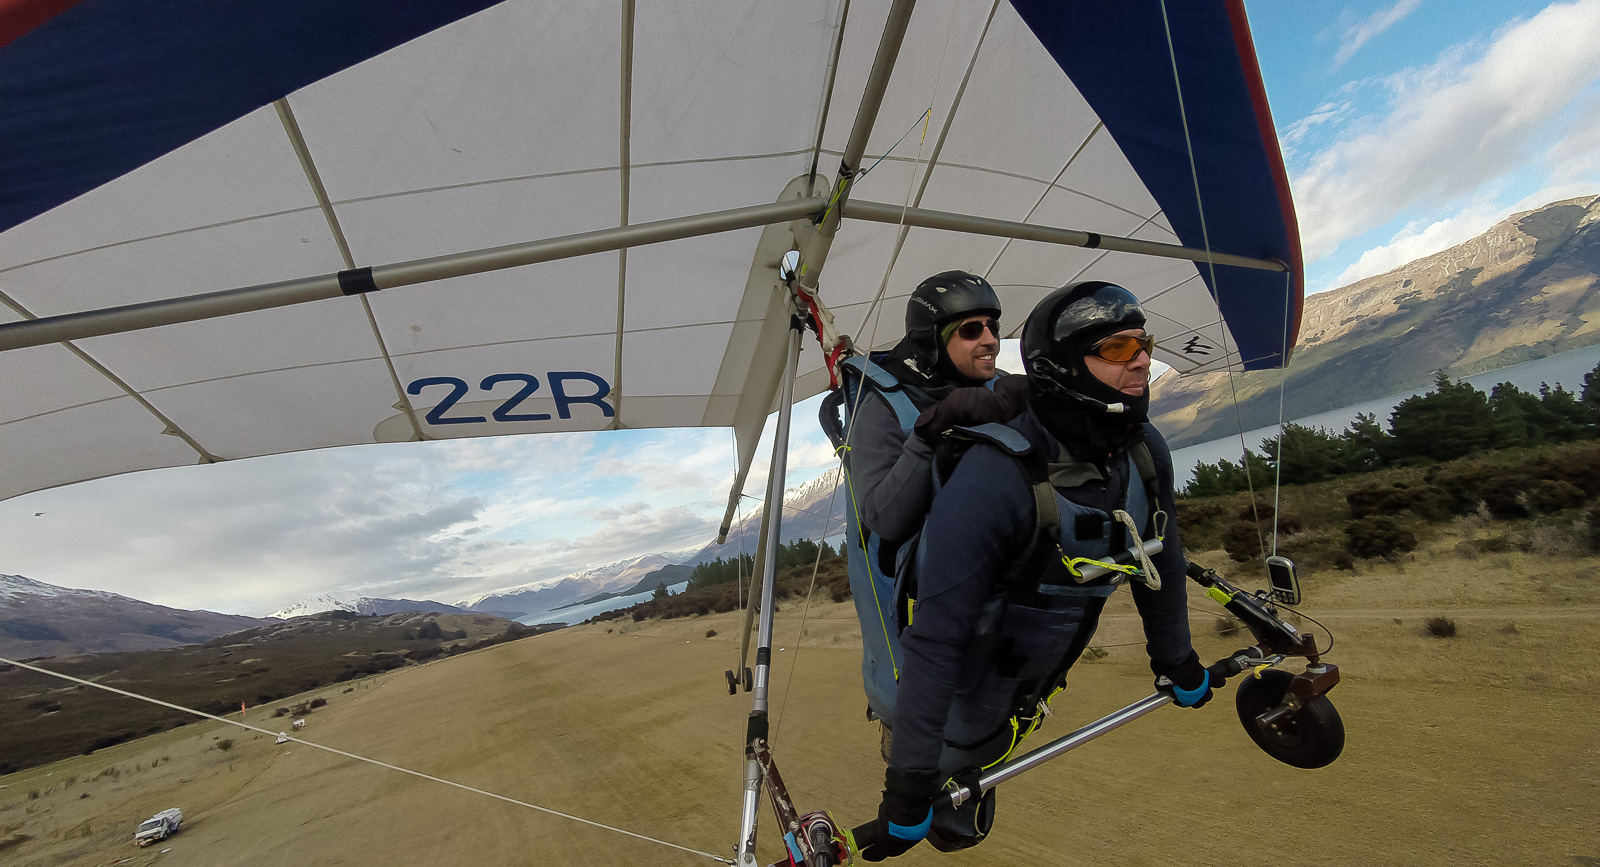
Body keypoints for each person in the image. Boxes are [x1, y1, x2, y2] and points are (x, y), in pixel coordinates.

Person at [865, 281, 1213, 860]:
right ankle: (913, 747)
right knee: (961, 793)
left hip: (1035, 663)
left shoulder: (1141, 448)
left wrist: (1175, 657)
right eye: (1119, 350)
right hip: (966, 662)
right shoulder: (993, 470)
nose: (1145, 359)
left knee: (996, 734)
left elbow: (1163, 557)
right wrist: (907, 786)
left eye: (1143, 343)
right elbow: (936, 633)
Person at [823, 270, 1026, 738]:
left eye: (993, 327)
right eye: (971, 330)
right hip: (923, 603)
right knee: (932, 772)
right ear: (932, 342)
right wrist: (931, 433)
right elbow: (882, 516)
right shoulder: (883, 405)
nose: (991, 340)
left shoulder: (999, 388)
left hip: (992, 604)